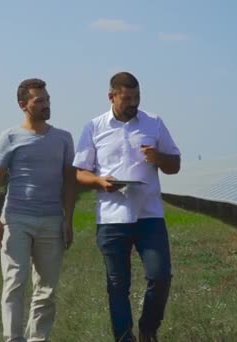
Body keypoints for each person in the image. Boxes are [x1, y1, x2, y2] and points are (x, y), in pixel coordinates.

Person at [73, 72, 181, 342]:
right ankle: (124, 337)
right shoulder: (94, 127)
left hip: (149, 216)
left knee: (160, 276)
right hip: (112, 218)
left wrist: (158, 158)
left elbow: (175, 165)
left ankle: (148, 329)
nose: (133, 103)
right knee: (117, 285)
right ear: (111, 96)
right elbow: (79, 173)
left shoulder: (154, 123)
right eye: (127, 98)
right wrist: (99, 181)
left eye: (137, 97)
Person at [0, 78, 76, 342]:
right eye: (40, 101)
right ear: (23, 105)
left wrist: (67, 219)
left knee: (46, 288)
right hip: (16, 219)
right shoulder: (10, 137)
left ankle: (38, 338)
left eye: (47, 99)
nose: (46, 104)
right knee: (15, 282)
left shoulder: (63, 138)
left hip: (51, 219)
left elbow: (70, 182)